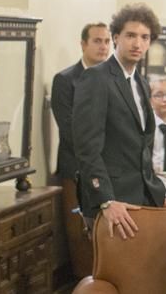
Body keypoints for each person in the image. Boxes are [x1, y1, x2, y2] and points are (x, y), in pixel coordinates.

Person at [73, 3, 166, 237]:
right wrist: (106, 201)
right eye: (131, 35)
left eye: (145, 37)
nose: (137, 44)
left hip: (143, 197)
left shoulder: (141, 83)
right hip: (112, 201)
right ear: (116, 37)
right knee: (115, 273)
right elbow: (87, 148)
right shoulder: (96, 77)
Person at [50, 21, 110, 276]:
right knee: (80, 234)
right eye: (97, 41)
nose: (103, 46)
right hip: (76, 168)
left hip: (108, 168)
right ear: (83, 44)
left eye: (107, 41)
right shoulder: (65, 80)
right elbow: (69, 128)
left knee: (106, 232)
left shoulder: (113, 78)